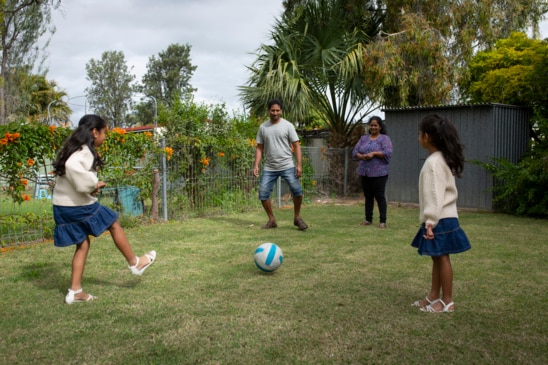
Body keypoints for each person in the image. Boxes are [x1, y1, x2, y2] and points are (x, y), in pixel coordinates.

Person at [52, 114, 156, 304]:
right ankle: (135, 263)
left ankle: (75, 292)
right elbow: (72, 167)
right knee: (113, 222)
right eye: (104, 133)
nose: (104, 137)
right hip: (76, 207)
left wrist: (93, 186)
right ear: (94, 132)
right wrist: (92, 183)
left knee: (82, 244)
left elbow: (71, 174)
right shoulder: (84, 151)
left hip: (62, 206)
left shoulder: (73, 149)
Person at [411, 114, 471, 313]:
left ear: (427, 137)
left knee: (442, 258)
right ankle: (433, 296)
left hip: (440, 219)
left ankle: (447, 301)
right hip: (443, 217)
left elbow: (435, 195)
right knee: (437, 257)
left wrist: (430, 221)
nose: (418, 138)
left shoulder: (433, 163)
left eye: (419, 134)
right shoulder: (439, 159)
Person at [253, 99, 308, 230]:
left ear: (281, 111)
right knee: (263, 194)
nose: (275, 112)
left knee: (297, 191)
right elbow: (259, 148)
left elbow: (296, 146)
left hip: (287, 165)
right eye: (273, 110)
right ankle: (271, 219)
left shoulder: (288, 126)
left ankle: (297, 218)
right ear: (268, 111)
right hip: (269, 167)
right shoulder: (263, 127)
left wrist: (299, 165)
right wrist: (256, 165)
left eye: (277, 110)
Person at [352, 116, 393, 228]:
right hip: (365, 172)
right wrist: (362, 156)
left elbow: (388, 153)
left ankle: (382, 221)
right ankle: (368, 219)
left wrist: (374, 153)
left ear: (380, 127)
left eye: (375, 125)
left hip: (380, 173)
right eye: (371, 125)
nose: (373, 127)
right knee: (368, 196)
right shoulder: (363, 139)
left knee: (379, 196)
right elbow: (355, 152)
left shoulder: (384, 139)